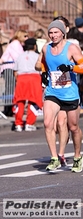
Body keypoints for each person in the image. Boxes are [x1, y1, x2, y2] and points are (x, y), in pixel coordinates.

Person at [37, 20, 82, 173]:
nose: (53, 35)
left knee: (73, 127)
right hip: (52, 91)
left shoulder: (72, 48)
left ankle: (77, 157)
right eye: (51, 33)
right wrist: (43, 73)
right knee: (48, 123)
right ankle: (54, 158)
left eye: (56, 32)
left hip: (69, 93)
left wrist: (71, 67)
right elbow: (43, 63)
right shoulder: (45, 48)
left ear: (63, 33)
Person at [12, 38, 42, 131]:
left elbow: (15, 71)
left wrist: (18, 80)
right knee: (34, 101)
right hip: (34, 78)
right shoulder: (38, 56)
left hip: (21, 78)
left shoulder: (20, 56)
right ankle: (29, 123)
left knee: (19, 101)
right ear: (34, 46)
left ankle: (18, 124)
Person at [0, 30, 28, 116]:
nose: (27, 38)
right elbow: (18, 57)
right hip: (9, 68)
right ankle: (8, 109)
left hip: (14, 68)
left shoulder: (19, 44)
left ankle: (11, 108)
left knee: (13, 89)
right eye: (25, 36)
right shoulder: (15, 44)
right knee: (10, 88)